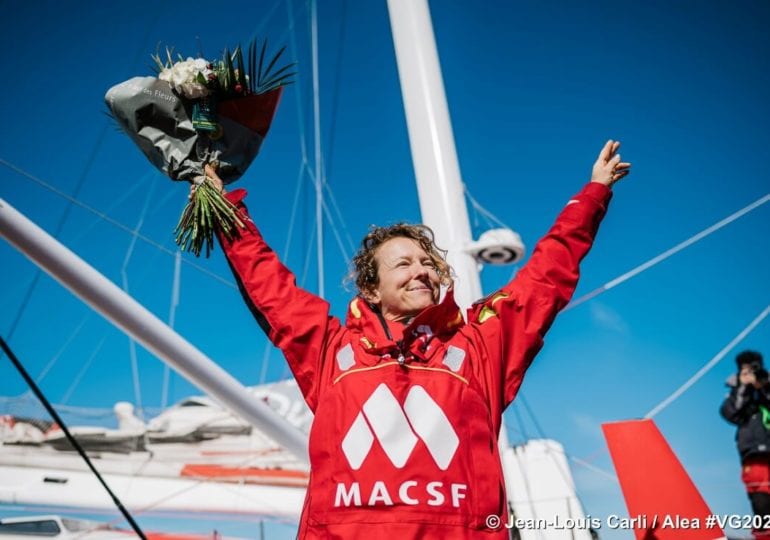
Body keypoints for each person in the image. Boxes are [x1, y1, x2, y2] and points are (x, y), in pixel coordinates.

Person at [204, 140, 630, 538]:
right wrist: (222, 208)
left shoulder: (481, 344)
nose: (421, 271)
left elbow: (545, 276)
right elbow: (268, 284)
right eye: (403, 264)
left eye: (427, 262)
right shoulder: (330, 350)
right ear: (371, 289)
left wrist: (592, 195)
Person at [721, 350, 770, 538]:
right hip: (754, 457)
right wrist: (743, 387)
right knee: (762, 507)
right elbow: (731, 414)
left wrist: (763, 385)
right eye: (747, 370)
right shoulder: (737, 393)